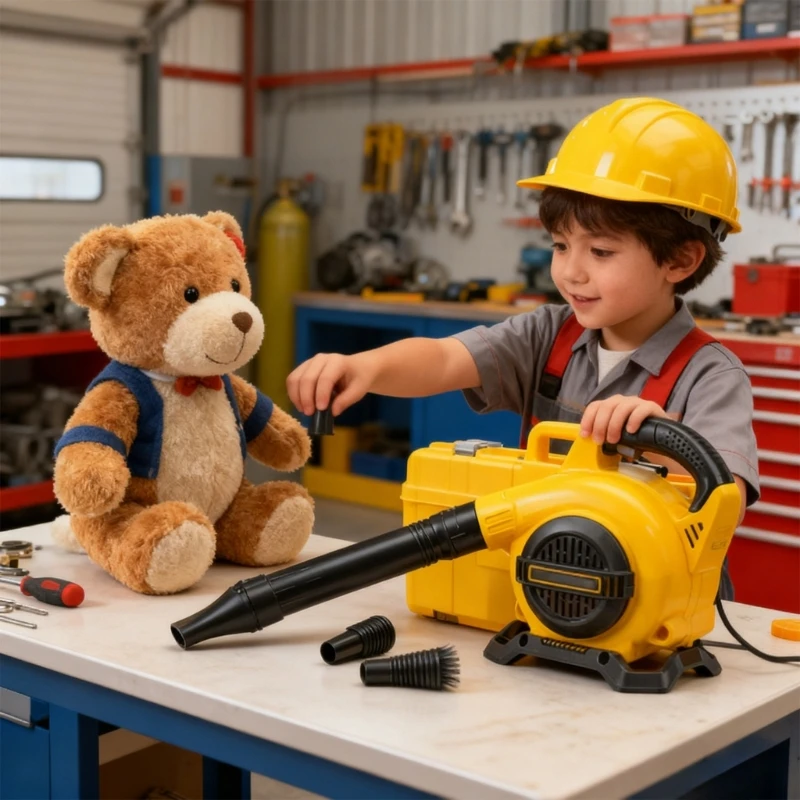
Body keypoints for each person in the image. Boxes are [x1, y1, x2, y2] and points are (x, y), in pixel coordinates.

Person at [287, 98, 759, 597]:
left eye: (601, 251)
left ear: (681, 260)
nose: (570, 272)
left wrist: (662, 440)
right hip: (548, 582)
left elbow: (726, 497)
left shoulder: (710, 374)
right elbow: (445, 358)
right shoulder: (548, 335)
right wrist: (365, 367)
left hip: (662, 602)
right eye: (561, 245)